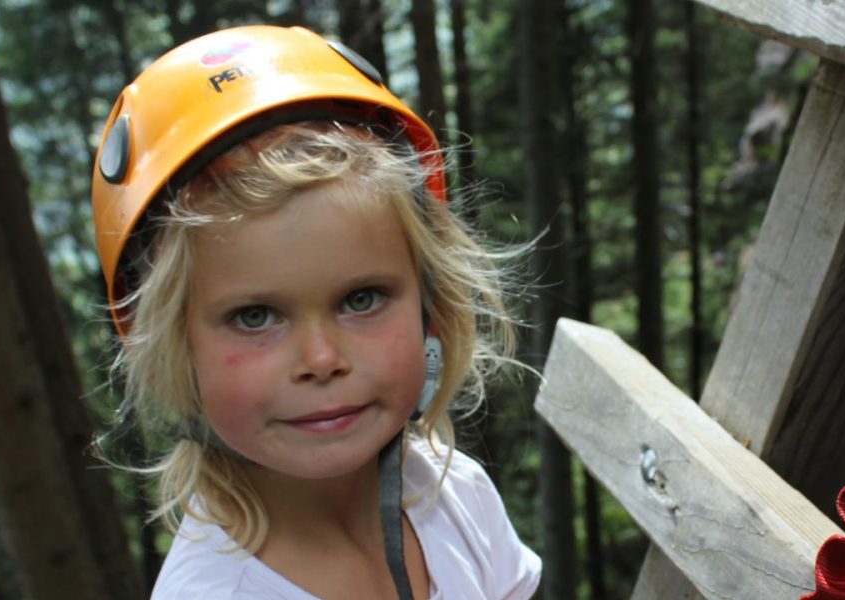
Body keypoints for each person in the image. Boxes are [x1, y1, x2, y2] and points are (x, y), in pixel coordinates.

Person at [89, 24, 540, 599]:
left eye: (361, 299)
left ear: (431, 301)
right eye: (256, 316)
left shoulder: (453, 496)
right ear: (172, 348)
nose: (321, 360)